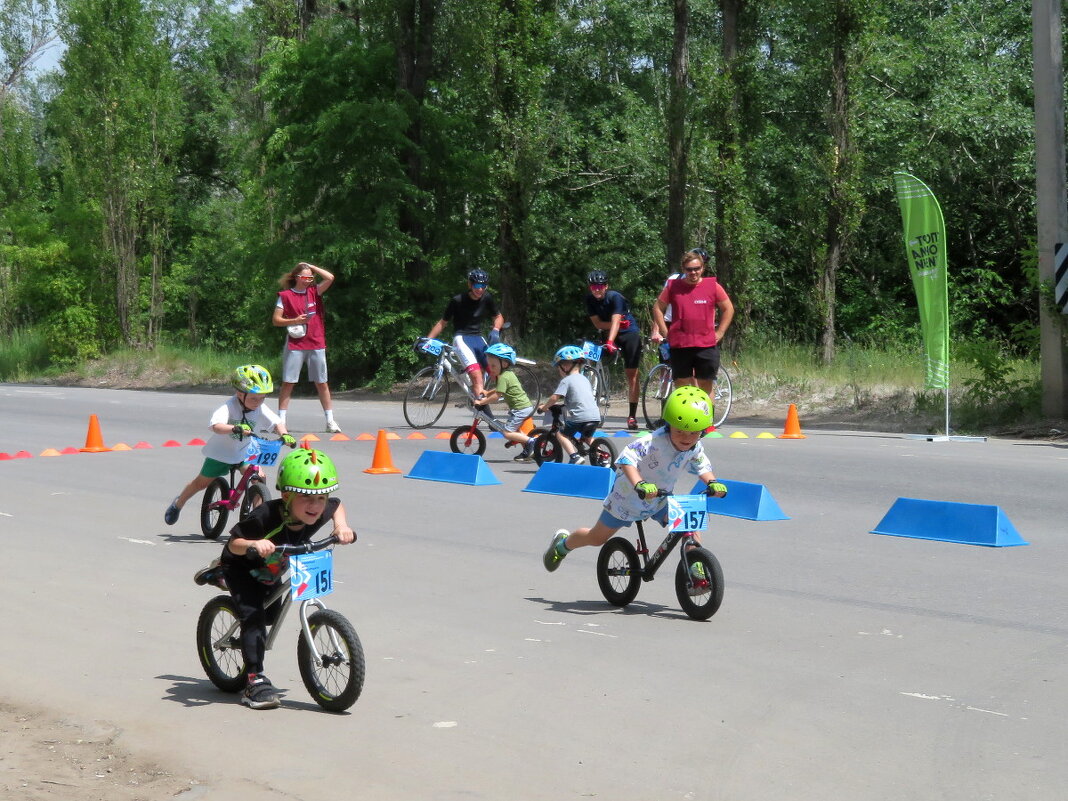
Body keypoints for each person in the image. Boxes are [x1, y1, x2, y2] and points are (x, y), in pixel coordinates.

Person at [195, 448, 355, 710]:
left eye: (321, 497)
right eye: (306, 498)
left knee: (270, 615)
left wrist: (341, 527)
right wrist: (255, 543)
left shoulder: (319, 509)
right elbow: (234, 542)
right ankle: (254, 680)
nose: (316, 506)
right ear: (287, 496)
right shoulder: (266, 516)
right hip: (242, 566)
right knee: (255, 617)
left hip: (275, 566)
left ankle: (224, 580)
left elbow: (337, 506)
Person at [542, 386, 727, 572]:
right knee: (596, 538)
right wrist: (639, 484)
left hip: (661, 499)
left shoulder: (694, 447)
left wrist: (712, 482)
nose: (687, 438)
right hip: (627, 500)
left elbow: (702, 465)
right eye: (680, 431)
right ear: (669, 424)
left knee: (689, 522)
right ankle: (562, 545)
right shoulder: (652, 442)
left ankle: (695, 567)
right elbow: (626, 459)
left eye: (694, 433)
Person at [164, 365, 296, 526]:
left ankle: (258, 517)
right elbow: (216, 426)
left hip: (244, 452)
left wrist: (285, 434)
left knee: (259, 477)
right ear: (240, 393)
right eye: (254, 398)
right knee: (201, 483)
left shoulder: (259, 407)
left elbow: (276, 422)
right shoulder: (229, 407)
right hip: (221, 453)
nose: (258, 402)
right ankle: (178, 503)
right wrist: (234, 428)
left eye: (262, 398)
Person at [651, 249, 734, 405]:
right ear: (683, 269)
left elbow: (728, 308)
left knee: (705, 385)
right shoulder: (673, 286)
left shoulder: (712, 286)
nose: (693, 273)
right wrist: (664, 331)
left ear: (702, 268)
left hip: (706, 344)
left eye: (697, 269)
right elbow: (657, 308)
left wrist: (720, 332)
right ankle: (682, 424)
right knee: (681, 384)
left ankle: (707, 424)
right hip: (680, 344)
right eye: (689, 269)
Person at [273, 261, 341, 433]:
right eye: (304, 276)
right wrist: (295, 321)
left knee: (322, 382)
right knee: (288, 382)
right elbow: (276, 320)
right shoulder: (285, 295)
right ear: (296, 277)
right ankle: (281, 423)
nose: (307, 279)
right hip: (295, 344)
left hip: (316, 342)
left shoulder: (314, 291)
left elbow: (330, 277)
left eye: (310, 277)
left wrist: (311, 266)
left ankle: (330, 421)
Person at [424, 269, 504, 399]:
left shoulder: (487, 298)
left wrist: (495, 330)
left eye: (484, 286)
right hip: (461, 338)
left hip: (478, 338)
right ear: (470, 285)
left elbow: (498, 317)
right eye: (477, 286)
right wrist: (428, 340)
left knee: (497, 374)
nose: (480, 289)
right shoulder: (457, 300)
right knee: (477, 376)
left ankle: (510, 407)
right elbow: (443, 322)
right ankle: (482, 409)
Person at [585, 270, 643, 430]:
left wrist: (611, 340)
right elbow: (598, 324)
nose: (597, 289)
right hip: (609, 331)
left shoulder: (615, 297)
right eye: (594, 286)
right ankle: (595, 385)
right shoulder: (590, 300)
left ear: (606, 286)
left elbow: (617, 322)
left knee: (631, 373)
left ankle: (632, 416)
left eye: (600, 286)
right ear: (590, 287)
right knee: (590, 354)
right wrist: (610, 335)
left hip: (628, 332)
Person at [536, 345, 601, 465]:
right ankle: (602, 456)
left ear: (565, 366)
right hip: (595, 416)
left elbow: (554, 397)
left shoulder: (566, 380)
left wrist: (544, 408)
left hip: (579, 417)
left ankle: (574, 456)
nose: (559, 371)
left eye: (559, 367)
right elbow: (578, 398)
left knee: (561, 434)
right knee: (588, 437)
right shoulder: (585, 380)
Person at [474, 343, 538, 462]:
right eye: (489, 366)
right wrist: (487, 392)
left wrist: (482, 402)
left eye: (493, 366)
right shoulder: (507, 374)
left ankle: (532, 442)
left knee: (507, 433)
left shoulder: (503, 377)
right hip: (524, 406)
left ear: (504, 363)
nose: (491, 369)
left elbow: (497, 397)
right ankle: (530, 449)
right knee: (516, 430)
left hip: (520, 409)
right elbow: (499, 389)